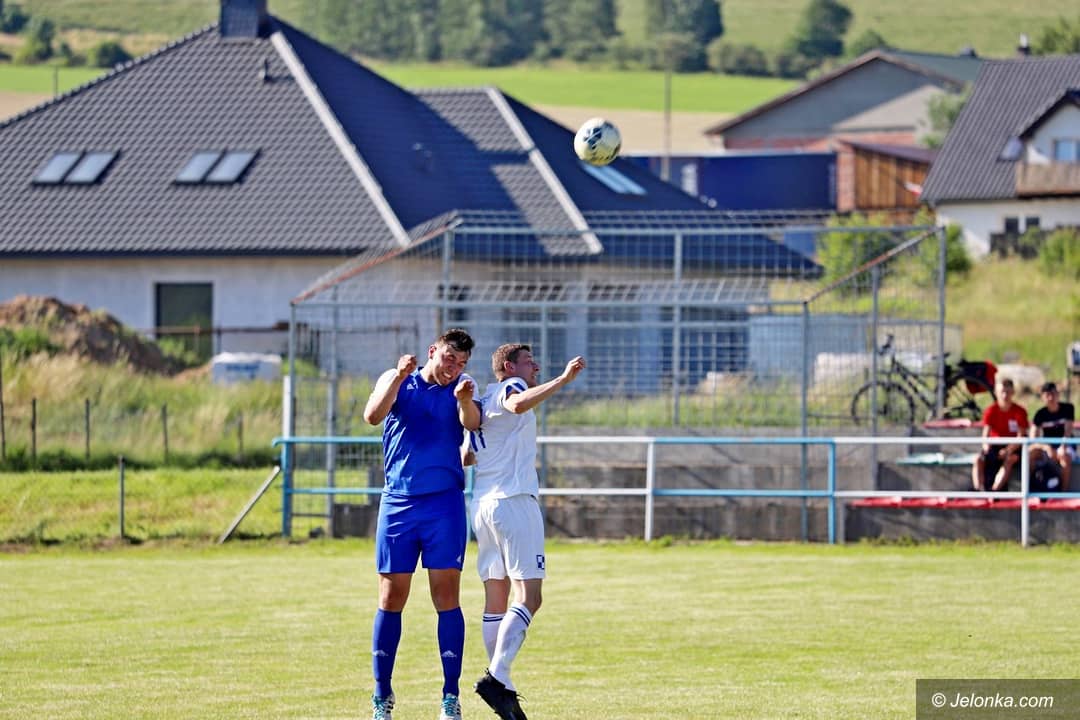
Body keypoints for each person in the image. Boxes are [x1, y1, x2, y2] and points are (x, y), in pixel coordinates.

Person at [362, 328, 481, 720]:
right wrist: (398, 376)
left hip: (444, 504)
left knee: (446, 596)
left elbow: (472, 423)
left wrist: (465, 400)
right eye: (449, 358)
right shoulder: (397, 379)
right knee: (391, 596)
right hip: (398, 502)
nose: (453, 368)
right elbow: (372, 416)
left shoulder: (463, 387)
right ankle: (382, 696)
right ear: (433, 351)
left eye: (461, 362)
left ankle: (450, 696)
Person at [469, 345, 586, 720]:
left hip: (483, 504)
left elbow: (467, 455)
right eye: (528, 360)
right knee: (530, 596)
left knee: (496, 598)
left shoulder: (480, 402)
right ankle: (497, 677)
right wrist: (562, 379)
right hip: (514, 501)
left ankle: (502, 686)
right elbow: (518, 403)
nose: (535, 365)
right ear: (508, 367)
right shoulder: (511, 387)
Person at [971, 377, 1029, 492]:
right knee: (978, 459)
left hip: (1014, 447)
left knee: (1010, 459)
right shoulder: (990, 410)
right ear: (996, 392)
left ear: (1013, 392)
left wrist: (1008, 450)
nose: (1004, 395)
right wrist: (987, 449)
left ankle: (994, 491)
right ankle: (979, 490)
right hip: (995, 445)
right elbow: (985, 436)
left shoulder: (1020, 411)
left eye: (1007, 392)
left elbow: (1021, 436)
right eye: (1002, 392)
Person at [1029, 381, 1074, 492]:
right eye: (1047, 395)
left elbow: (1068, 431)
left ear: (1058, 394)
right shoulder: (1040, 414)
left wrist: (1062, 446)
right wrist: (1046, 447)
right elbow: (1032, 438)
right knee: (1030, 454)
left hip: (1065, 445)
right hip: (1047, 447)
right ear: (1042, 397)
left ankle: (1063, 493)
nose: (1051, 398)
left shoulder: (1068, 408)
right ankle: (1030, 489)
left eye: (1053, 394)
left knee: (1064, 456)